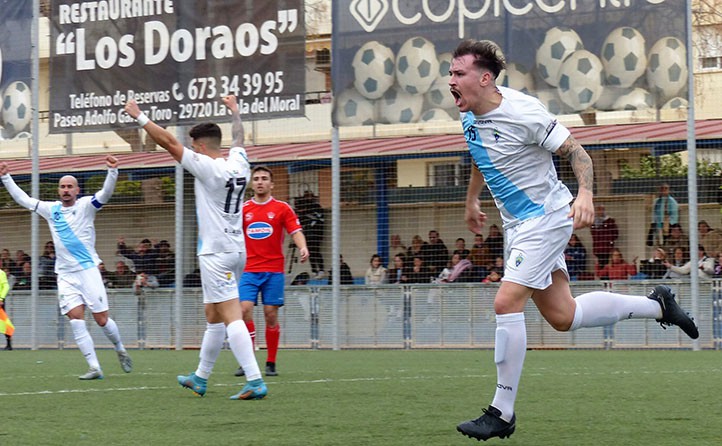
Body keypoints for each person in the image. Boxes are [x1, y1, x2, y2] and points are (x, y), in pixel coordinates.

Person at [449, 39, 698, 441]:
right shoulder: (468, 113)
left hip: (545, 218)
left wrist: (585, 195)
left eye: (458, 74)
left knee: (505, 301)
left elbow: (577, 153)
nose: (451, 81)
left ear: (484, 78)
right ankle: (658, 307)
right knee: (564, 317)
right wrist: (472, 199)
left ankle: (502, 410)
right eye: (450, 73)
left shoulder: (524, 112)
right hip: (518, 226)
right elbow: (481, 155)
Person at [125, 95, 266, 400]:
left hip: (216, 252)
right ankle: (200, 377)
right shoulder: (239, 163)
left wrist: (139, 117)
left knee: (230, 316)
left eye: (193, 144)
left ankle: (255, 380)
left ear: (200, 146)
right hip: (236, 250)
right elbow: (239, 137)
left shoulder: (207, 167)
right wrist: (235, 112)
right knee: (213, 314)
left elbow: (167, 142)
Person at [0, 156, 133, 379]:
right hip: (65, 274)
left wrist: (112, 172)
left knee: (102, 320)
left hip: (88, 270)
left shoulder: (87, 206)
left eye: (70, 186)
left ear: (77, 190)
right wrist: (5, 177)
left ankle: (120, 348)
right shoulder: (51, 210)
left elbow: (105, 194)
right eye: (62, 187)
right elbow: (23, 199)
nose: (66, 190)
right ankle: (94, 367)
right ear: (58, 190)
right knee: (76, 319)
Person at [235, 164, 309, 378]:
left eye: (264, 178)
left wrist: (302, 246)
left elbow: (295, 230)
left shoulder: (282, 208)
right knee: (244, 310)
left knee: (270, 315)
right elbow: (231, 234)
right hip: (249, 269)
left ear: (271, 184)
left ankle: (271, 362)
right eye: (256, 178)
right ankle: (247, 360)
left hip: (274, 271)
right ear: (252, 183)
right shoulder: (243, 209)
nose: (260, 182)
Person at [296, 190, 325, 279]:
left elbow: (320, 219)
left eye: (309, 196)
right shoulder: (303, 208)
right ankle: (314, 270)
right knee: (309, 252)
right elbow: (299, 220)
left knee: (316, 250)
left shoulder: (317, 207)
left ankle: (321, 270)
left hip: (316, 233)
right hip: (307, 234)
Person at [651, 183, 678, 247]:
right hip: (657, 226)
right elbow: (654, 213)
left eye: (666, 188)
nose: (663, 190)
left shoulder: (671, 201)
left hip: (667, 226)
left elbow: (674, 215)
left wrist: (670, 225)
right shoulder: (657, 201)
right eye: (662, 188)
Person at [0, 267, 13, 350]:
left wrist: (1, 298)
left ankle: (9, 343)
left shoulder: (1, 273)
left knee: (4, 322)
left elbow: (6, 286)